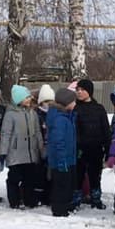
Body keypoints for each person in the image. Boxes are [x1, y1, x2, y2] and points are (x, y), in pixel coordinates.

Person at [0, 84, 44, 209]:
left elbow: (37, 132)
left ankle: (29, 199)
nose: (29, 100)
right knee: (14, 177)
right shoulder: (10, 114)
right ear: (18, 99)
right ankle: (14, 200)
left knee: (29, 178)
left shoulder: (33, 114)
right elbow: (5, 133)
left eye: (29, 97)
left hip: (31, 152)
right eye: (26, 98)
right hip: (15, 153)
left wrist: (41, 149)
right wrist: (3, 152)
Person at [74, 78, 111, 210]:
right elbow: (74, 130)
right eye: (77, 90)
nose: (79, 92)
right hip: (80, 149)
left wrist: (108, 150)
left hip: (96, 148)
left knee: (95, 175)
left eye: (82, 90)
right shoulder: (75, 108)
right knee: (78, 175)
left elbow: (106, 130)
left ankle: (96, 199)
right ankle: (76, 199)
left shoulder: (99, 109)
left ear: (89, 91)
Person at [46, 87, 78, 217]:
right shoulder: (60, 119)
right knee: (61, 186)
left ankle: (65, 205)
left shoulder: (67, 117)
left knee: (67, 184)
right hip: (61, 160)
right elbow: (58, 142)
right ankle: (59, 209)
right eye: (73, 101)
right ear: (66, 103)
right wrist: (61, 160)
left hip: (68, 159)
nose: (75, 103)